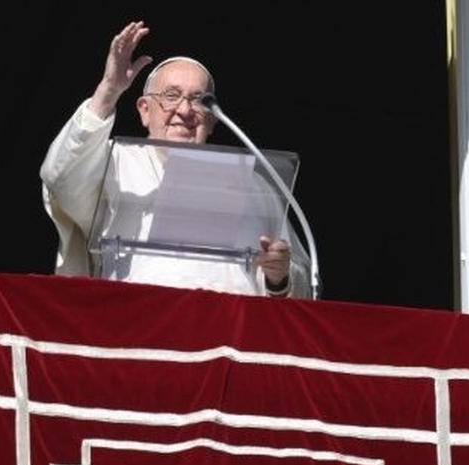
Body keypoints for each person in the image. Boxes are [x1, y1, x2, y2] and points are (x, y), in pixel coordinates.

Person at [40, 20, 312, 298]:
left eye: (198, 100)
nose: (184, 110)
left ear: (212, 118)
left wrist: (279, 279)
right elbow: (60, 177)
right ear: (145, 111)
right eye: (171, 96)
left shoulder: (253, 185)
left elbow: (300, 282)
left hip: (230, 334)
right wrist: (109, 90)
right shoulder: (115, 162)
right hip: (141, 324)